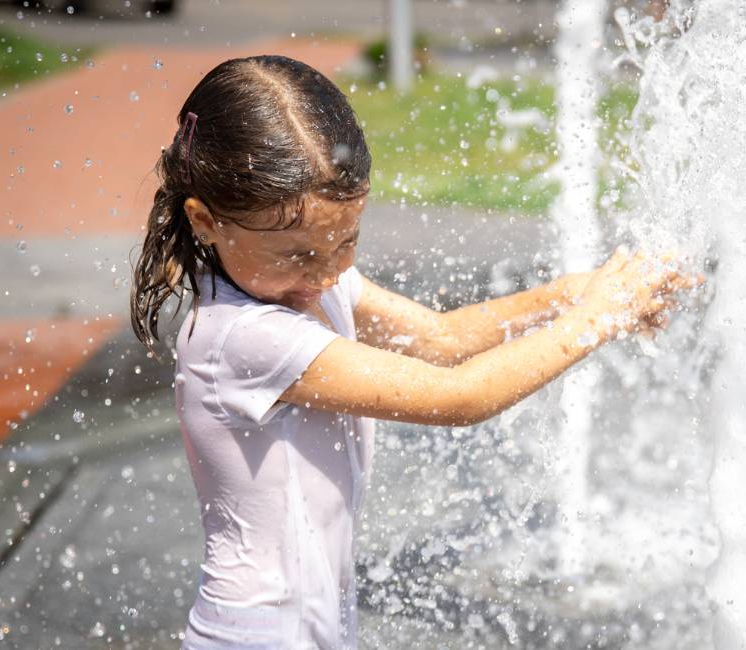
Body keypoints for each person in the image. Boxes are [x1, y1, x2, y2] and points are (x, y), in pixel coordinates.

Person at [129, 55, 692, 650]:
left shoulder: (307, 282)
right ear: (206, 222)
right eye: (297, 254)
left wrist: (568, 295)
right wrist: (597, 318)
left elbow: (439, 340)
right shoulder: (240, 336)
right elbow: (461, 397)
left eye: (347, 241)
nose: (325, 273)